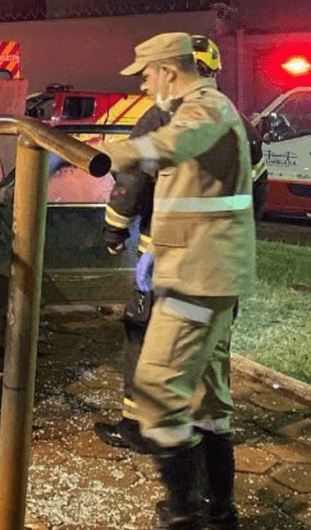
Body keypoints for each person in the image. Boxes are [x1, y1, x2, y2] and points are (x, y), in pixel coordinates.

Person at [94, 32, 255, 530]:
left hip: (196, 280)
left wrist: (105, 151)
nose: (143, 86)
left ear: (167, 70)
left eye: (145, 75)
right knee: (207, 400)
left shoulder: (204, 109)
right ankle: (219, 510)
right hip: (203, 272)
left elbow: (170, 146)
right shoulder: (208, 108)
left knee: (157, 388)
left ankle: (183, 514)